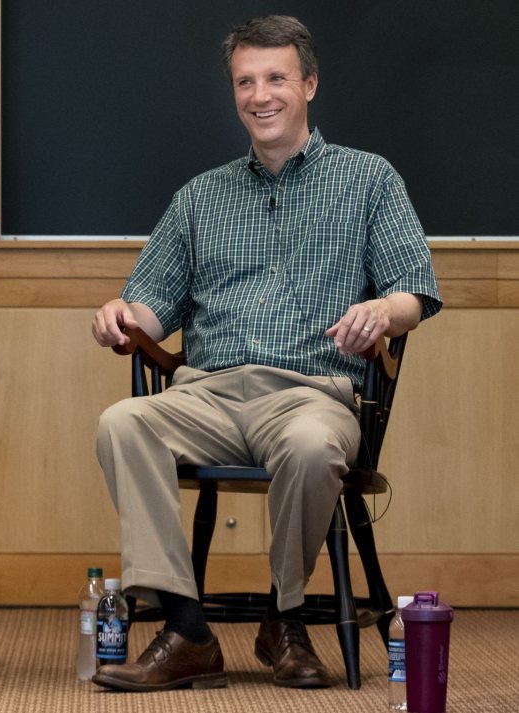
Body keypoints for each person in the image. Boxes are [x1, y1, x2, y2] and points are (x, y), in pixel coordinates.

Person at [90, 15, 441, 692]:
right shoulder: (200, 197)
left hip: (313, 393)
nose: (260, 95)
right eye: (245, 81)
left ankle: (284, 617)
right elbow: (150, 310)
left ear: (308, 83)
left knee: (311, 447)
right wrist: (119, 315)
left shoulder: (369, 180)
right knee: (121, 420)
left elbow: (415, 292)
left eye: (276, 77)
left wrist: (383, 309)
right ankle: (187, 627)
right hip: (208, 393)